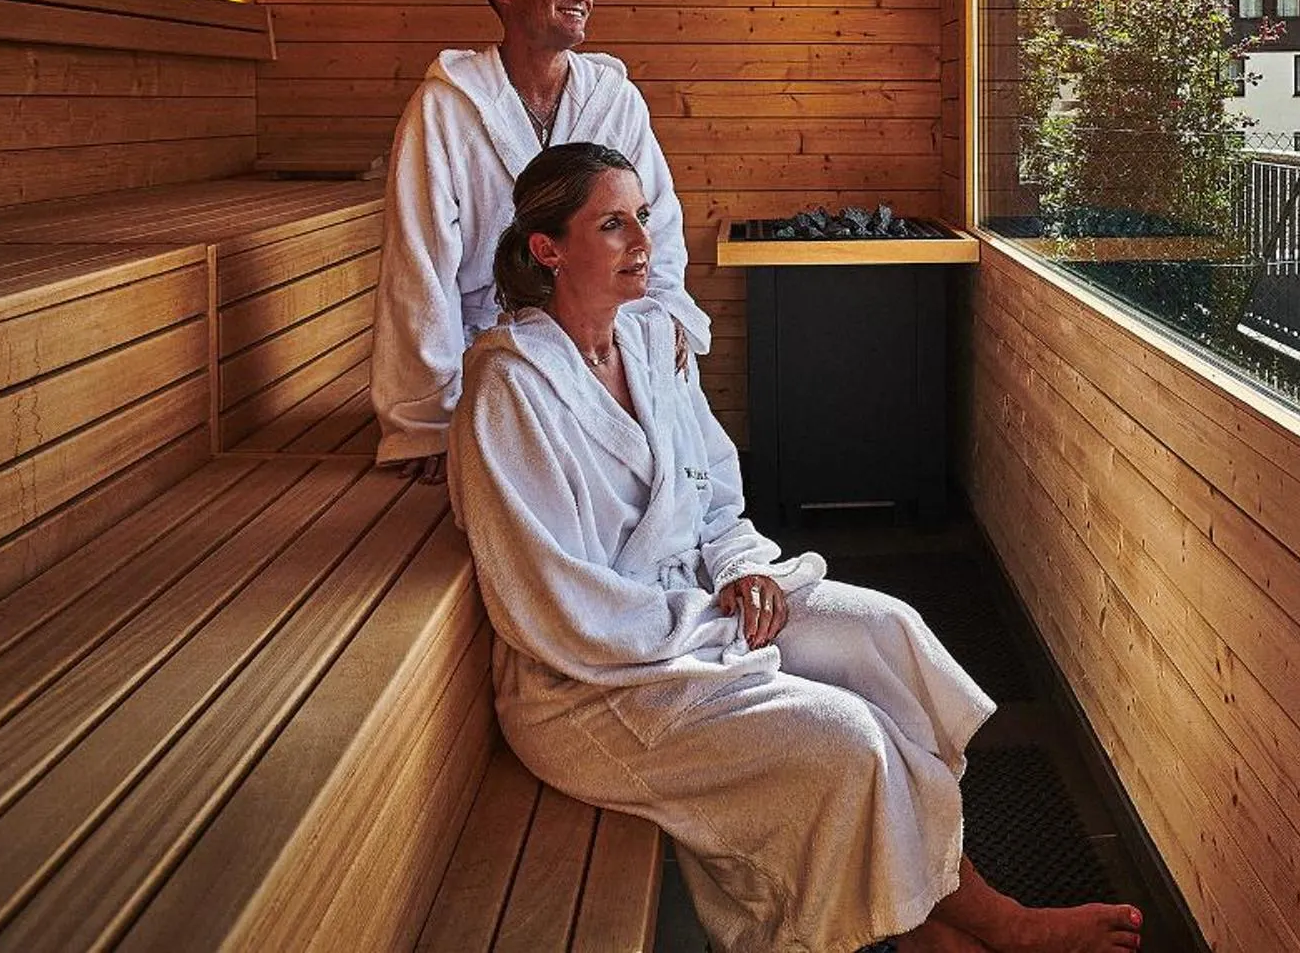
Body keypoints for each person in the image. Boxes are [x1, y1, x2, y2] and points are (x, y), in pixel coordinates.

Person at [449, 144, 1144, 953]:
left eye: (641, 214)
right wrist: (708, 627)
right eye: (612, 222)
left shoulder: (646, 343)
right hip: (593, 682)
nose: (641, 236)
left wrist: (742, 566)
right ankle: (983, 927)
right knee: (845, 739)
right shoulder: (510, 393)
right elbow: (555, 610)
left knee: (887, 635)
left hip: (698, 610)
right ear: (548, 247)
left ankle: (930, 920)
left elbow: (712, 487)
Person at [370, 0, 709, 477]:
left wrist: (666, 309)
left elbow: (660, 225)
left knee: (679, 456)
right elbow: (419, 266)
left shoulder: (615, 100)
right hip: (495, 342)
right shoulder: (446, 108)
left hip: (605, 329)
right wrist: (428, 422)